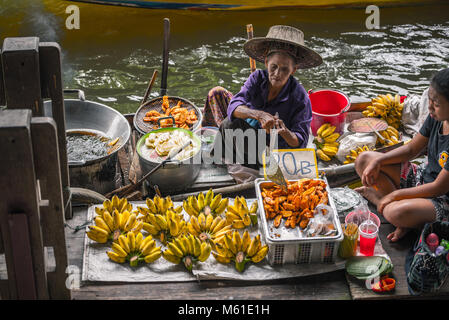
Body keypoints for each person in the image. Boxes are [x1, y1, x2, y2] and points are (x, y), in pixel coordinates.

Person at [202, 25, 322, 168]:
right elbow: (234, 106)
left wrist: (285, 132)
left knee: (230, 127)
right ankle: (224, 158)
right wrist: (259, 115)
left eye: (284, 69)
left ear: (293, 70)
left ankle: (247, 165)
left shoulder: (300, 97)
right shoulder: (258, 77)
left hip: (275, 151)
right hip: (252, 134)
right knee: (228, 121)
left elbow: (300, 141)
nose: (277, 74)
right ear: (266, 63)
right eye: (274, 67)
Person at [355, 68, 449, 242]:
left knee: (396, 212)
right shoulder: (436, 118)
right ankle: (403, 218)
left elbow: (438, 188)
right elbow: (412, 150)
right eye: (429, 99)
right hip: (423, 178)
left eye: (436, 103)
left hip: (442, 200)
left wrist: (393, 196)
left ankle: (385, 205)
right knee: (365, 160)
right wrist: (379, 160)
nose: (429, 107)